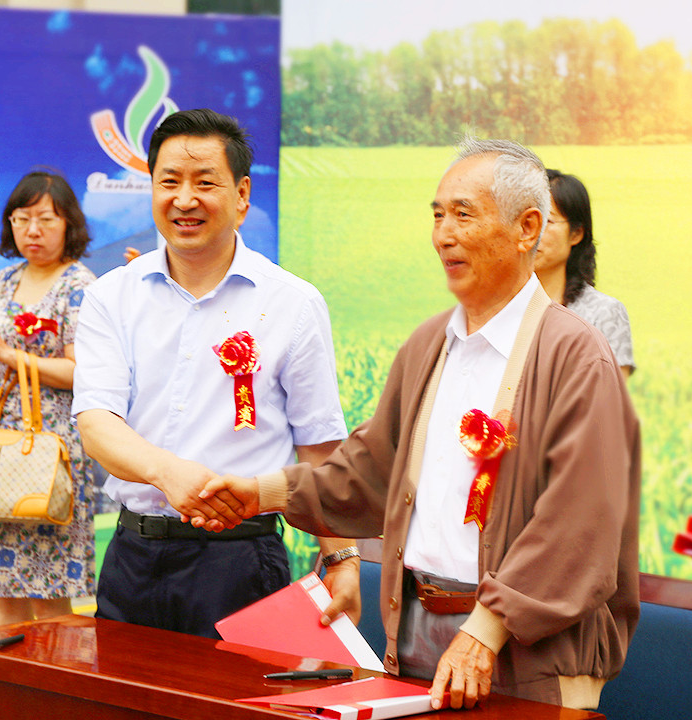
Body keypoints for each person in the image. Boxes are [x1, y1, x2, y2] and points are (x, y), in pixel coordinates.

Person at [200, 138, 641, 711]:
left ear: (527, 228)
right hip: (413, 634)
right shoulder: (429, 345)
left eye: (464, 214)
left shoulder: (576, 355)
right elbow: (368, 472)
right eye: (437, 215)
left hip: (524, 651)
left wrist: (486, 629)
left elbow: (581, 524)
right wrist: (261, 492)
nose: (443, 234)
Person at [72, 108, 361, 639]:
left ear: (242, 195)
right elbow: (96, 423)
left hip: (241, 560)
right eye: (169, 182)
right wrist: (168, 474)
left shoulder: (292, 303)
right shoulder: (111, 295)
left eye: (205, 183)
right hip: (133, 558)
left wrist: (342, 558)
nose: (185, 199)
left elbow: (318, 444)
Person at [0, 171, 97, 626]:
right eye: (22, 219)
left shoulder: (79, 285)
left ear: (68, 224)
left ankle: (56, 674)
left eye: (46, 219)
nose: (33, 230)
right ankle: (7, 670)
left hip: (50, 453)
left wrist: (11, 357)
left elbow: (81, 372)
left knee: (49, 598)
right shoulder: (6, 279)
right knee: (2, 590)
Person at [535, 169, 634, 377]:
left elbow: (610, 393)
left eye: (547, 221)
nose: (532, 233)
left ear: (576, 233)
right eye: (525, 220)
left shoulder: (603, 313)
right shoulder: (495, 309)